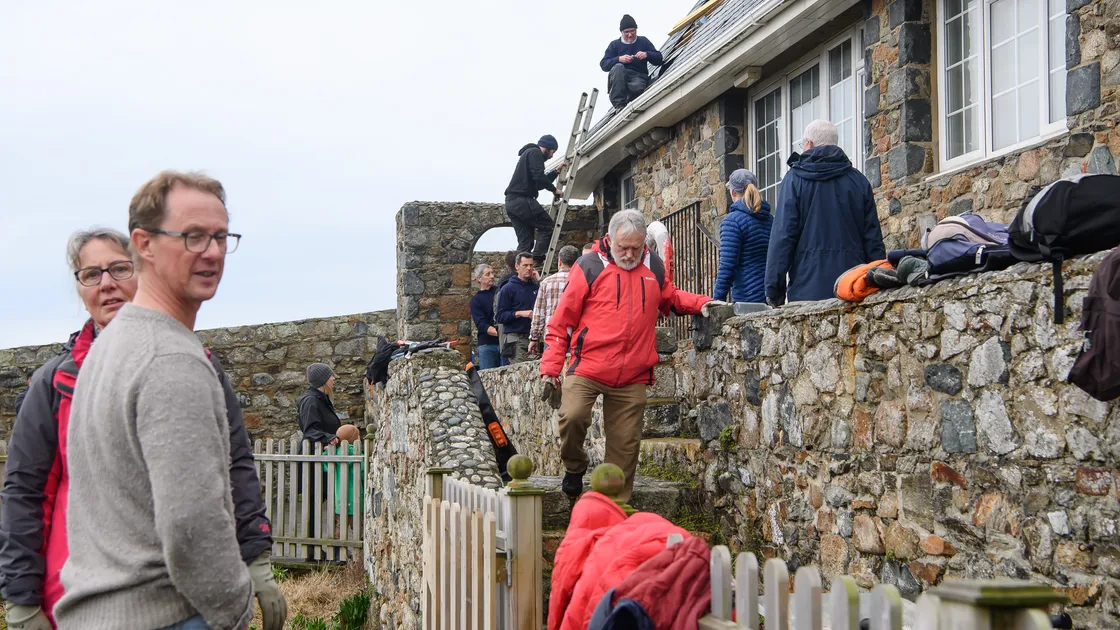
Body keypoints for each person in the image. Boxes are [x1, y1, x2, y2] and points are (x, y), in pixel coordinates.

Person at [0, 226, 282, 630]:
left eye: (119, 268)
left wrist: (255, 558)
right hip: (82, 602)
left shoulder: (194, 363)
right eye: (91, 274)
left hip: (190, 599)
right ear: (79, 287)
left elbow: (233, 464)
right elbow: (26, 494)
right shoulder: (53, 385)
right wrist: (21, 601)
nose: (108, 284)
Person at [540, 211, 719, 502]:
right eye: (623, 247)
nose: (630, 253)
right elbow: (562, 321)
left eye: (636, 247)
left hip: (633, 373)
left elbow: (670, 297)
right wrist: (550, 368)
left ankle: (613, 508)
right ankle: (574, 467)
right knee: (571, 416)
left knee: (625, 447)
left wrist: (703, 303)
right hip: (588, 366)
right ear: (609, 239)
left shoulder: (653, 266)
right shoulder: (588, 266)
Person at [765, 120, 885, 304]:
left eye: (802, 144)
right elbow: (873, 239)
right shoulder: (859, 181)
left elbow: (783, 236)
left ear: (809, 144)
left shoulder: (794, 180)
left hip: (807, 289)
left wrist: (774, 289)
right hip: (852, 287)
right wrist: (878, 279)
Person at [713, 169, 773, 303]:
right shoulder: (771, 220)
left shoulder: (732, 221)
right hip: (771, 297)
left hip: (747, 299)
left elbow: (727, 267)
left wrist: (717, 300)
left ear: (732, 192)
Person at [504, 136, 563, 265]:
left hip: (511, 203)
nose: (552, 156)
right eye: (553, 152)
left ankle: (516, 272)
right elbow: (539, 176)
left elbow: (538, 184)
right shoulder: (535, 152)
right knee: (546, 225)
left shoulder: (528, 154)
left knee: (526, 243)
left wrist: (555, 173)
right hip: (522, 200)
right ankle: (535, 260)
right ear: (548, 148)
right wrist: (554, 190)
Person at [600, 15, 664, 110]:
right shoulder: (614, 45)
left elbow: (659, 59)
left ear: (636, 30)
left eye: (632, 31)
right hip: (620, 78)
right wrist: (619, 59)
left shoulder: (643, 41)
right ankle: (619, 105)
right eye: (626, 32)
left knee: (637, 89)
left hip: (638, 77)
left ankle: (630, 97)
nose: (630, 35)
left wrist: (647, 54)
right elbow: (604, 64)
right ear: (621, 32)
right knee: (618, 67)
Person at [529, 245, 580, 355]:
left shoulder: (547, 282)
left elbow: (538, 314)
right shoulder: (583, 281)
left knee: (552, 368)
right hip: (576, 335)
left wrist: (534, 338)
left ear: (559, 261)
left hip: (552, 335)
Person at [495, 252, 540, 364]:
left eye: (531, 265)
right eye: (525, 265)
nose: (529, 268)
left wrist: (539, 280)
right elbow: (499, 316)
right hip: (516, 338)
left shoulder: (536, 287)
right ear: (517, 266)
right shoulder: (508, 288)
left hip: (534, 338)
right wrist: (520, 313)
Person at [470, 264, 501, 370]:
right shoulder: (476, 300)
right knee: (488, 380)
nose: (492, 276)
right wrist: (500, 332)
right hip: (487, 345)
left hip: (504, 344)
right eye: (488, 274)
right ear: (479, 278)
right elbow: (481, 324)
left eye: (492, 273)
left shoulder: (500, 292)